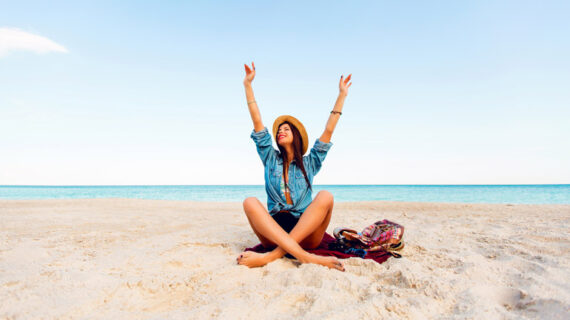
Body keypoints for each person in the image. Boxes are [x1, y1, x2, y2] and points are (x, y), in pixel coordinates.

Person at [236, 61, 352, 272]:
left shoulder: (311, 162)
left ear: (296, 136)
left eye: (286, 128)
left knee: (326, 196)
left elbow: (328, 131)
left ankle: (272, 256)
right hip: (276, 231)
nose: (280, 131)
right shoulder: (270, 158)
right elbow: (257, 122)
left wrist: (342, 94)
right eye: (279, 129)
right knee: (249, 202)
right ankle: (306, 258)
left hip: (306, 234)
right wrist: (248, 85)